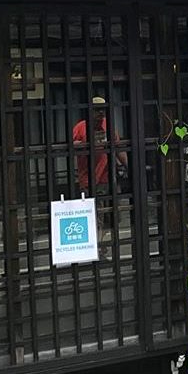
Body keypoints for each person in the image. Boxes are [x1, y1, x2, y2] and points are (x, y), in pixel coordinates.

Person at [72, 96, 128, 255]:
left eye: (102, 110)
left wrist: (128, 167)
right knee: (95, 216)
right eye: (97, 110)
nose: (100, 113)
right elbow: (72, 146)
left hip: (108, 177)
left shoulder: (108, 127)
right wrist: (81, 145)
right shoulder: (81, 127)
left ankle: (100, 244)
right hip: (89, 179)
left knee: (112, 214)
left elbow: (119, 149)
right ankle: (96, 247)